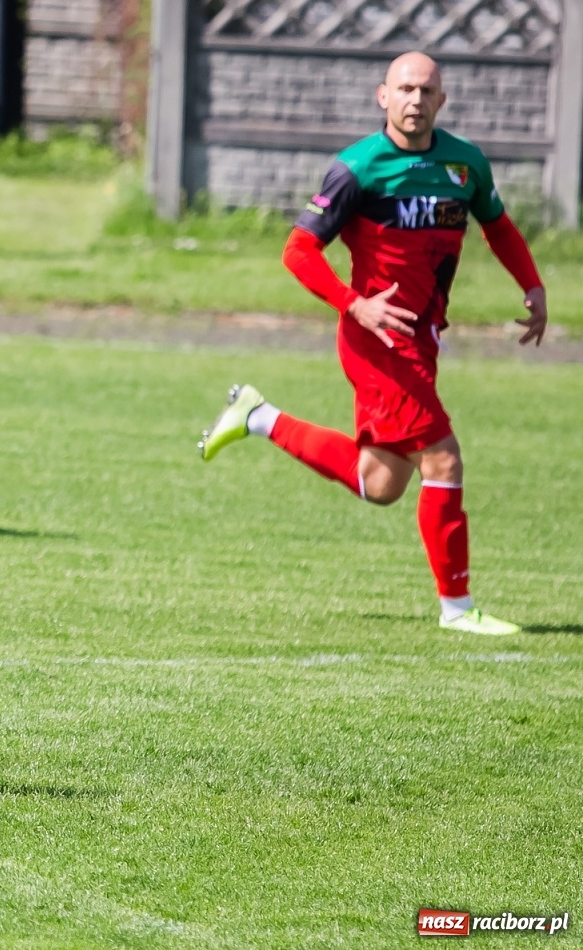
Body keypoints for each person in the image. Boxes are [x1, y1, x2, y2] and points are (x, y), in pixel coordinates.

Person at [199, 51, 546, 635]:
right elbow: (298, 250)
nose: (415, 99)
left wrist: (532, 285)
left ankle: (258, 416)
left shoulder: (465, 163)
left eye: (426, 90)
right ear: (382, 96)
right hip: (378, 341)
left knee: (380, 483)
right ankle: (458, 608)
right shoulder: (358, 168)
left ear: (442, 100)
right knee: (443, 457)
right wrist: (354, 304)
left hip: (422, 338)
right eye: (404, 89)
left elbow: (498, 226)